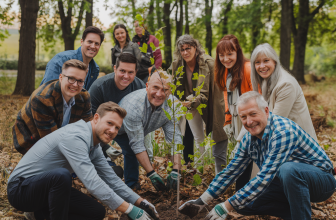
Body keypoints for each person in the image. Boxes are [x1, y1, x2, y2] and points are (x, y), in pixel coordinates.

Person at [178, 91, 336, 220]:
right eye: (243, 117)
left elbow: (265, 177)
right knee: (244, 202)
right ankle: (295, 213)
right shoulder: (249, 138)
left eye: (253, 114)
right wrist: (201, 201)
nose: (249, 121)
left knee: (288, 170)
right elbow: (231, 171)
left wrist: (225, 206)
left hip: (321, 181)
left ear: (266, 111)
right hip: (285, 182)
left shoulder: (283, 131)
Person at [7, 102, 160, 220]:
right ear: (96, 118)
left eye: (117, 127)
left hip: (47, 190)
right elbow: (92, 182)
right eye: (109, 123)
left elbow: (112, 179)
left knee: (96, 212)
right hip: (21, 190)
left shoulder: (94, 144)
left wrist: (141, 203)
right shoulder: (75, 137)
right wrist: (129, 209)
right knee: (61, 176)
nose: (113, 130)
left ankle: (40, 214)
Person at [168, 34, 227, 174]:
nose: (185, 52)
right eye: (182, 50)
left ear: (195, 47)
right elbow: (169, 81)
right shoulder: (177, 64)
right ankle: (197, 167)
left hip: (207, 102)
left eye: (188, 48)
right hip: (188, 104)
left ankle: (210, 166)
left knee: (214, 134)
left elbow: (215, 90)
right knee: (195, 135)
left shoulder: (208, 63)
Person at [115, 70, 183, 191]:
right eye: (155, 87)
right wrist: (151, 174)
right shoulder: (134, 106)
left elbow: (175, 138)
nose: (159, 94)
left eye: (165, 90)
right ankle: (131, 186)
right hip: (119, 129)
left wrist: (176, 170)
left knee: (147, 154)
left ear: (170, 91)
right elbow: (137, 144)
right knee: (130, 151)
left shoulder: (173, 105)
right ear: (147, 86)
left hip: (143, 126)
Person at [13, 59, 92, 155]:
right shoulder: (42, 99)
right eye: (71, 78)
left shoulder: (84, 96)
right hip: (32, 140)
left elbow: (87, 129)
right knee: (61, 169)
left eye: (80, 81)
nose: (75, 85)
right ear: (61, 77)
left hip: (62, 138)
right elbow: (51, 142)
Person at [89, 53, 153, 166]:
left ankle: (132, 183)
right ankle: (103, 166)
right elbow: (90, 119)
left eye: (130, 72)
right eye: (122, 71)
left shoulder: (140, 87)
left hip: (127, 126)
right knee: (94, 147)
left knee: (132, 148)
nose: (126, 76)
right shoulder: (99, 87)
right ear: (115, 68)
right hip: (102, 126)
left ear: (136, 72)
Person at [250, 43, 317, 140]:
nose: (262, 66)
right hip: (285, 138)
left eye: (266, 60)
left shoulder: (286, 85)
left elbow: (273, 123)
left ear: (275, 62)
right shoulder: (266, 81)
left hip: (300, 144)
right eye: (257, 62)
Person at [214, 35, 253, 187]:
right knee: (241, 155)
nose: (226, 58)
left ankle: (242, 192)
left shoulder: (248, 69)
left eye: (230, 54)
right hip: (237, 118)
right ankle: (241, 191)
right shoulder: (225, 72)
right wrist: (228, 119)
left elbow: (258, 98)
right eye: (222, 55)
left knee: (244, 154)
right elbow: (226, 96)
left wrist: (247, 128)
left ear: (238, 52)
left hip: (250, 120)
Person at [40, 26, 104, 90]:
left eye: (97, 44)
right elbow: (47, 90)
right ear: (82, 42)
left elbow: (86, 95)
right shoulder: (61, 59)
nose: (93, 46)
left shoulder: (95, 69)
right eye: (89, 42)